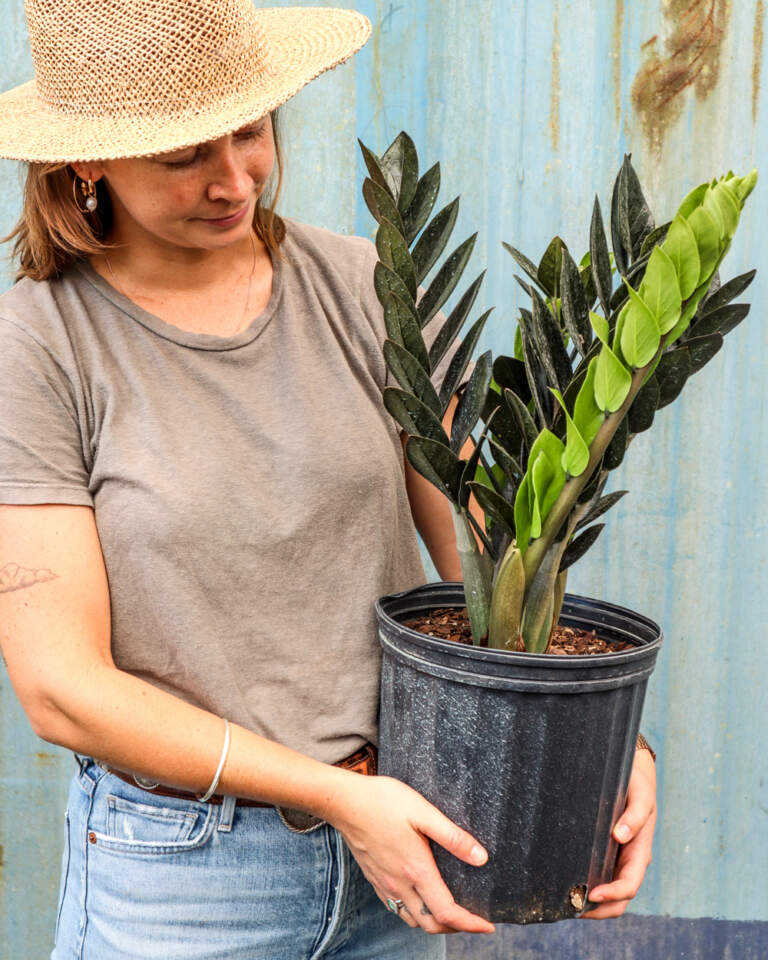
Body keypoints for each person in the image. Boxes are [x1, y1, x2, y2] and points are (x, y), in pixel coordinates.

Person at [0, 1, 658, 957]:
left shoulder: (369, 288)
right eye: (186, 155)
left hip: (402, 860)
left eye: (252, 131)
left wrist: (605, 747)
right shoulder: (39, 346)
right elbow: (60, 686)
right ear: (87, 160)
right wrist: (336, 797)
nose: (236, 181)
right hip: (183, 880)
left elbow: (498, 558)